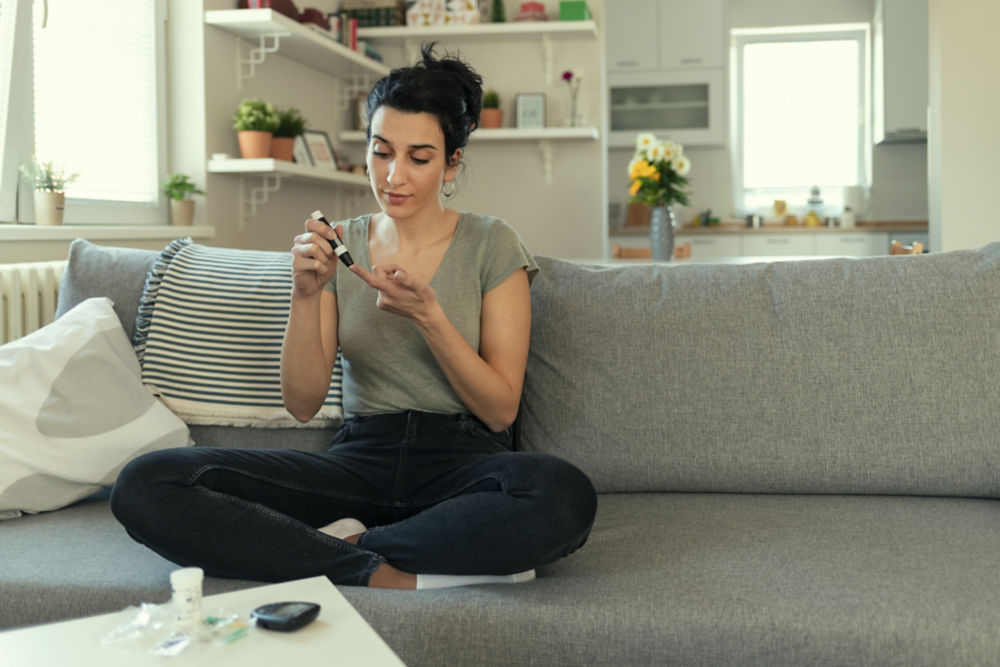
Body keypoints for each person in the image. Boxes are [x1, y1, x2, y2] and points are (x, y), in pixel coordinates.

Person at [111, 44, 597, 590]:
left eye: (419, 157)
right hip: (359, 463)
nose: (393, 176)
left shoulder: (493, 243)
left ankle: (346, 548)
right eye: (381, 151)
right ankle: (390, 567)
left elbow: (500, 410)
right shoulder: (341, 245)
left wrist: (430, 318)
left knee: (562, 495)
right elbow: (301, 403)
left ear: (452, 162)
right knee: (147, 482)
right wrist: (304, 293)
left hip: (463, 466)